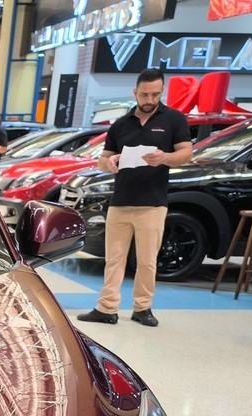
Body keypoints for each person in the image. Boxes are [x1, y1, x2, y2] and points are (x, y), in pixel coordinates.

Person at [77, 69, 192, 328]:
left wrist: (164, 158)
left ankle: (142, 307)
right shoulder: (121, 124)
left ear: (162, 92)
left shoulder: (174, 119)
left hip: (152, 204)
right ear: (135, 92)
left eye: (155, 94)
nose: (150, 100)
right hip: (120, 202)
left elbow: (186, 153)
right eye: (144, 94)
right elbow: (103, 159)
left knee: (147, 261)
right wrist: (110, 162)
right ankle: (106, 308)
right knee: (113, 259)